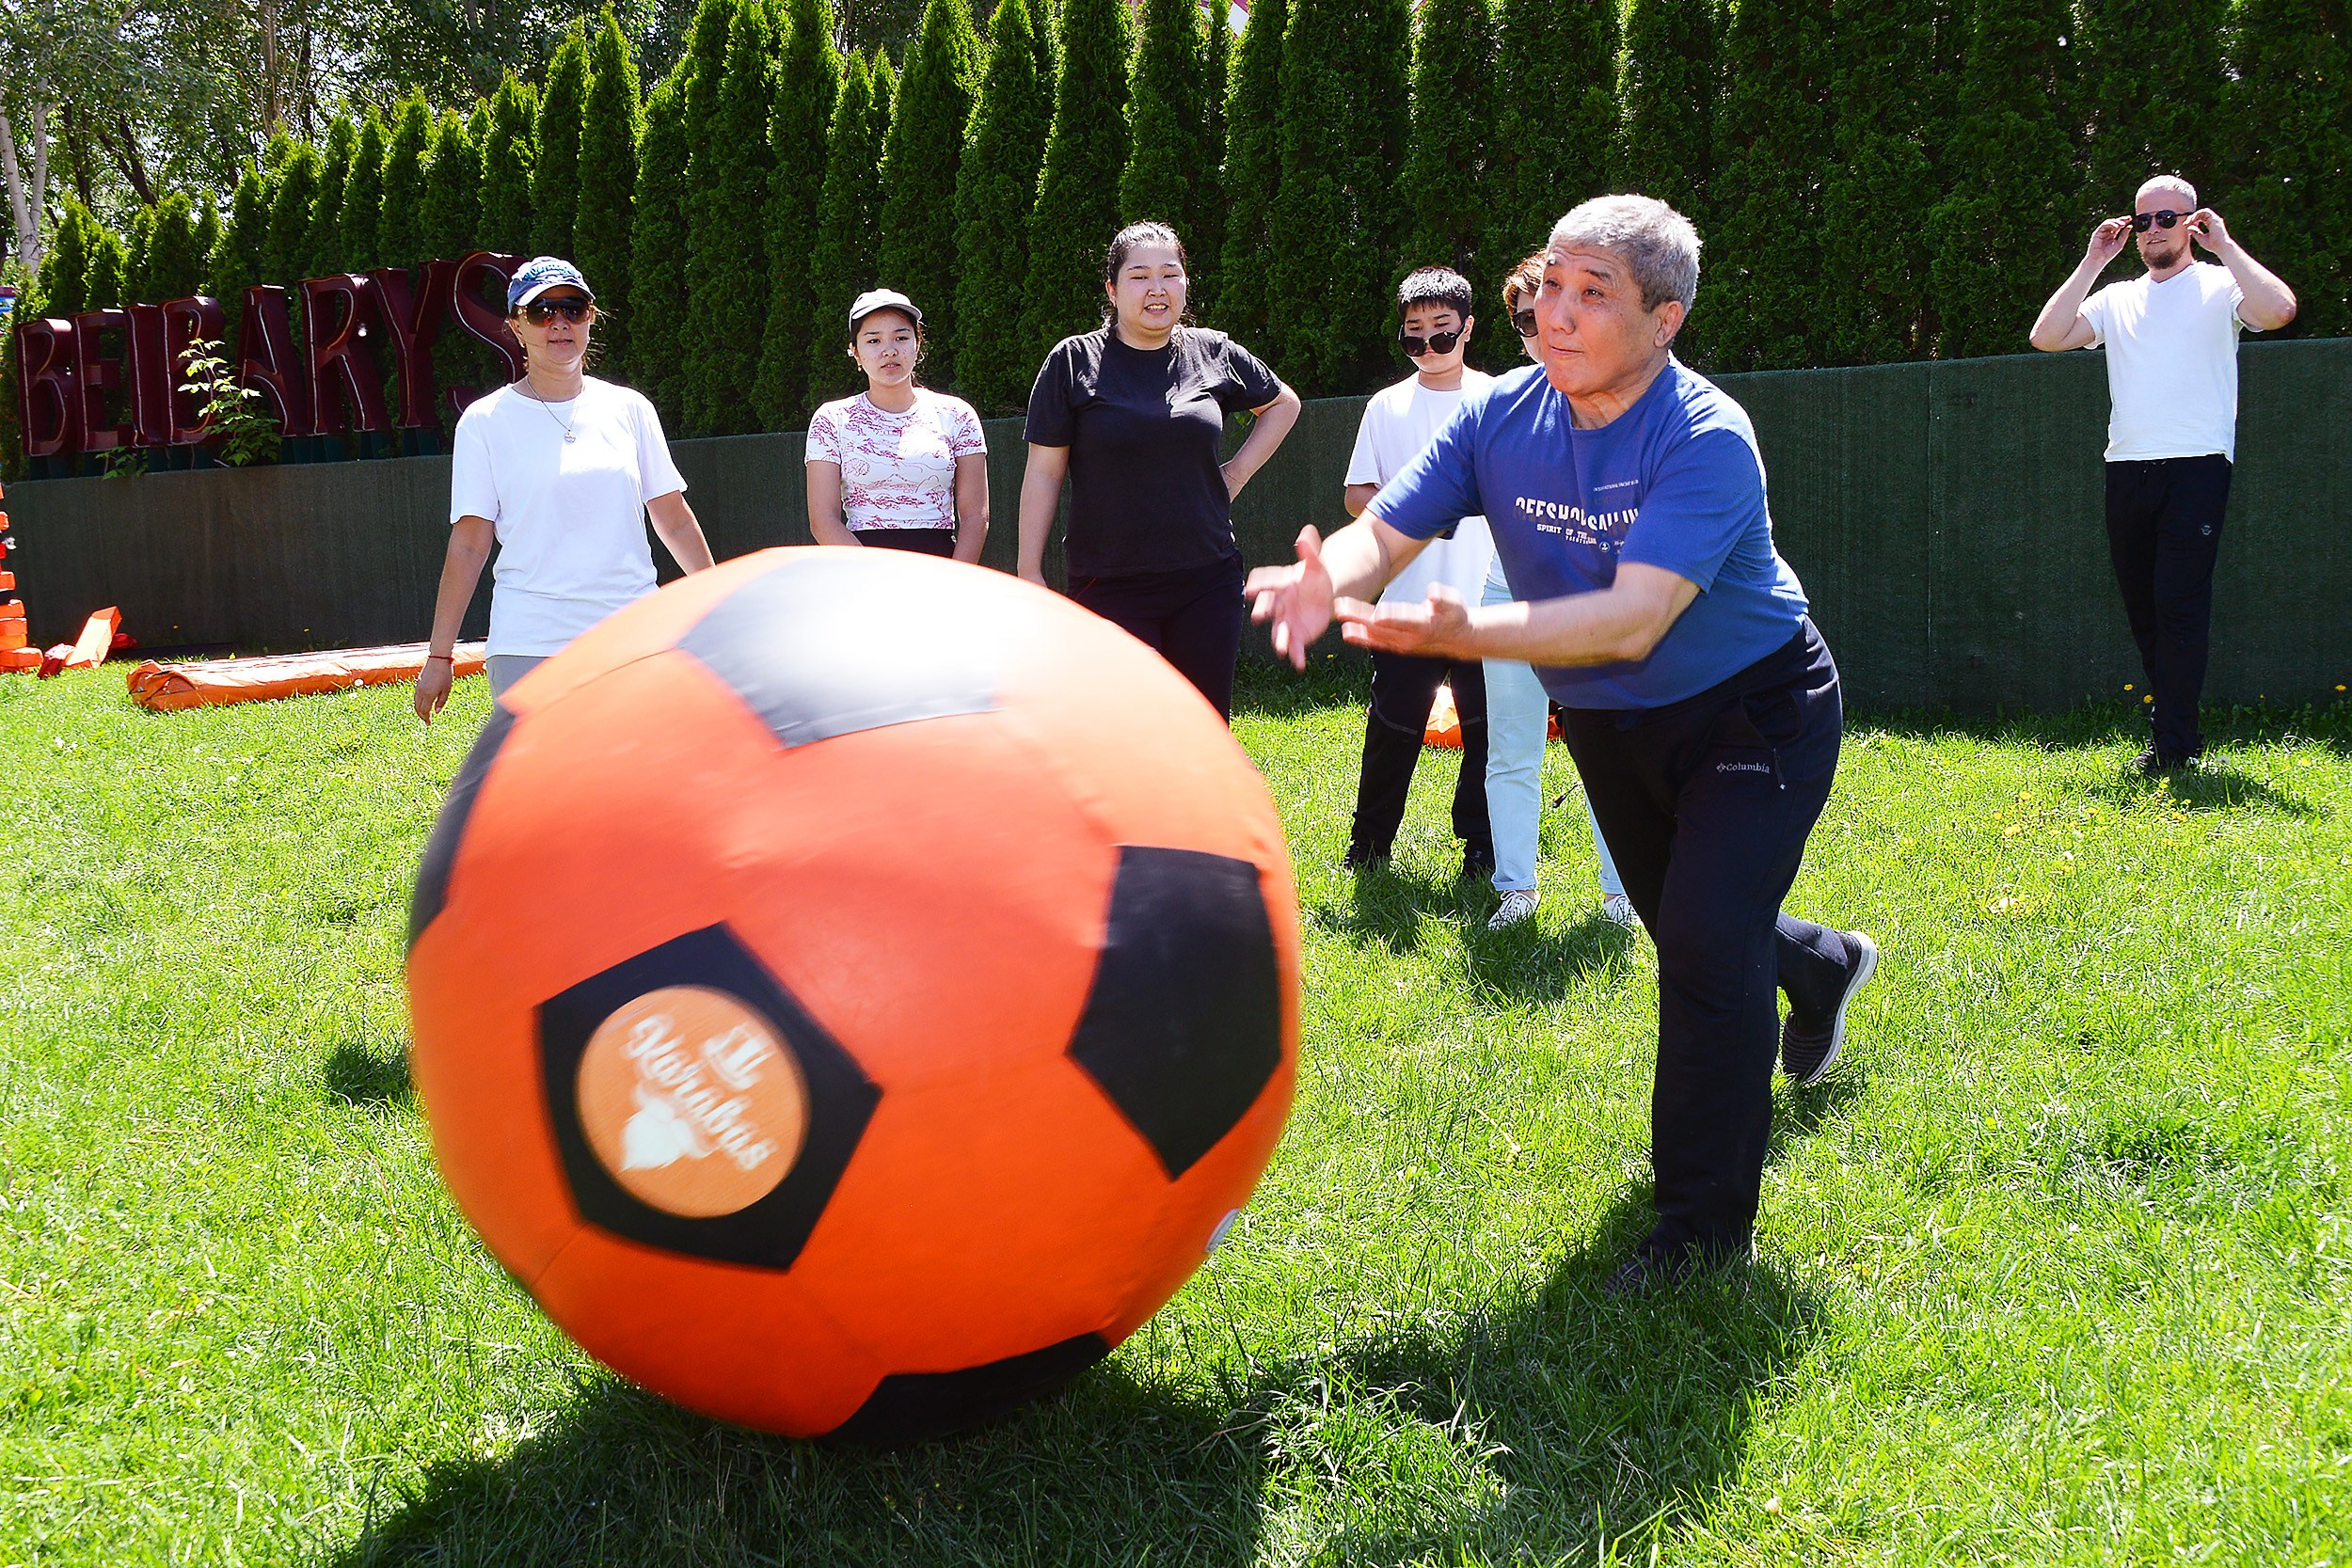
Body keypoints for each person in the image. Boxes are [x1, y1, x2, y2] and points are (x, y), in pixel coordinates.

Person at [1248, 196, 1879, 1293]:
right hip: (1606, 718)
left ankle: (1698, 1238)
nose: (1556, 313)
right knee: (1697, 921)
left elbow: (1634, 617)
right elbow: (1384, 529)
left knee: (1700, 949)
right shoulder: (1501, 415)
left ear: (1664, 319)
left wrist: (1466, 633)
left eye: (1594, 294)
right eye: (1550, 285)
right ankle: (1821, 963)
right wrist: (1326, 578)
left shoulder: (1705, 435)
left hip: (1753, 709)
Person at [2028, 174, 2297, 774]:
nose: (2153, 230)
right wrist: (2094, 260)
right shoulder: (2116, 297)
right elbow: (2046, 337)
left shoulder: (2221, 284)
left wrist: (2225, 246)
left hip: (2197, 467)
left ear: (2192, 224)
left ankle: (2174, 746)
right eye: (2143, 220)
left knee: (2178, 607)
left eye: (2167, 218)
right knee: (2145, 611)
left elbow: (2279, 310)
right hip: (2126, 469)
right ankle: (2174, 732)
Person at [1019, 222, 1302, 720]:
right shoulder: (1073, 361)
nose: (1157, 289)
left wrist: (1234, 475)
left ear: (1185, 284)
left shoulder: (1212, 351)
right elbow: (1044, 472)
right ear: (1112, 289)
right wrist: (1029, 571)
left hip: (1207, 579)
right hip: (1108, 583)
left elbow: (1283, 404)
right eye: (1139, 276)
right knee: (1129, 729)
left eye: (1170, 274)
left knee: (1204, 727)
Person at [415, 256, 715, 719]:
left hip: (634, 636)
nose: (559, 323)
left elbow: (673, 520)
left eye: (572, 309)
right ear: (516, 327)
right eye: (541, 312)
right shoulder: (484, 422)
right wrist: (440, 655)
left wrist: (718, 606)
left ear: (590, 318)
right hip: (530, 643)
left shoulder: (630, 408)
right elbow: (470, 545)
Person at [1482, 251, 1635, 932]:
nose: (1545, 327)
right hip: (1508, 600)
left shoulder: (1629, 397)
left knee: (1611, 753)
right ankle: (1516, 890)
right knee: (1512, 749)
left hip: (1597, 606)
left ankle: (1622, 894)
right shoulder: (1502, 406)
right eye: (1528, 318)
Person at [1339, 267, 1496, 879]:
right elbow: (1356, 494)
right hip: (1405, 603)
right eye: (1414, 335)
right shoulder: (1386, 406)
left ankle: (1482, 849)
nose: (1428, 346)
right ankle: (1369, 847)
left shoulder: (1498, 399)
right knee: (1392, 728)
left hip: (1487, 604)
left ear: (1468, 328)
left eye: (1442, 332)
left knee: (1486, 733)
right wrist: (1415, 512)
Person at [805, 289, 989, 562]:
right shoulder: (831, 419)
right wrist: (876, 575)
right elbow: (823, 520)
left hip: (941, 571)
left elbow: (976, 517)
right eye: (873, 340)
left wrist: (955, 578)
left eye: (901, 338)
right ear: (855, 352)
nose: (889, 351)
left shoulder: (957, 415)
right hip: (860, 572)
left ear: (918, 344)